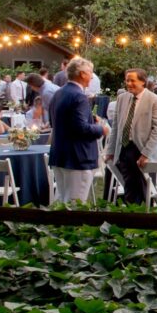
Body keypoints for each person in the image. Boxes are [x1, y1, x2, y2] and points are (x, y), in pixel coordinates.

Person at [48, 58, 110, 204]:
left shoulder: (59, 93)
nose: (92, 77)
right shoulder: (79, 96)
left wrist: (90, 118)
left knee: (62, 200)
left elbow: (56, 121)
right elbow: (80, 128)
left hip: (60, 154)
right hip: (78, 156)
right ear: (82, 74)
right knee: (75, 202)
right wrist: (101, 129)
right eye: (90, 73)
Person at [104, 68, 157, 205]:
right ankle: (131, 218)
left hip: (143, 150)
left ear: (143, 82)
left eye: (133, 80)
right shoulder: (122, 98)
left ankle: (146, 220)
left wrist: (145, 153)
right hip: (125, 149)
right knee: (129, 188)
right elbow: (116, 127)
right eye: (127, 80)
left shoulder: (154, 100)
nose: (129, 83)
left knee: (145, 190)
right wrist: (110, 150)